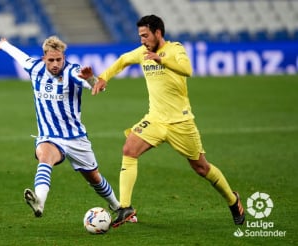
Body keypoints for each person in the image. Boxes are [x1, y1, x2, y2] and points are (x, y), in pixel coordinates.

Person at [92, 14, 245, 228]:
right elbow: (123, 60)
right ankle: (125, 207)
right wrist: (103, 77)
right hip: (155, 119)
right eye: (140, 36)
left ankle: (232, 200)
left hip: (180, 122)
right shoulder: (142, 52)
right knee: (129, 149)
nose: (142, 40)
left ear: (158, 33)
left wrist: (160, 59)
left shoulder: (175, 49)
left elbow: (187, 70)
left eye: (145, 35)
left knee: (201, 167)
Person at [0, 36, 120, 217]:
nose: (55, 64)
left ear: (64, 57)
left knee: (94, 178)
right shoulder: (35, 68)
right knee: (45, 158)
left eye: (58, 60)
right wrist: (4, 45)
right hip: (49, 136)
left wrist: (90, 78)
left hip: (75, 137)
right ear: (44, 58)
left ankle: (117, 206)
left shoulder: (73, 71)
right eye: (51, 60)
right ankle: (39, 202)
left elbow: (99, 87)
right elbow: (19, 55)